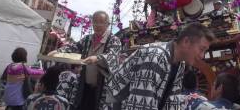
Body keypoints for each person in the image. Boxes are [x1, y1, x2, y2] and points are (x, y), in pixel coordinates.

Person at [84, 22, 215, 109]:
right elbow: (139, 105)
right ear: (186, 41)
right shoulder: (155, 57)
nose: (202, 56)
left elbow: (172, 99)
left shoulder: (180, 63)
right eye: (201, 49)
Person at [49, 11, 122, 110]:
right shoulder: (87, 39)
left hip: (103, 88)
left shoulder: (114, 40)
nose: (97, 25)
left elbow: (112, 55)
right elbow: (74, 47)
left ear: (108, 24)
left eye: (101, 22)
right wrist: (58, 51)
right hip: (85, 85)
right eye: (95, 22)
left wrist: (97, 58)